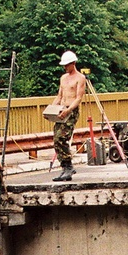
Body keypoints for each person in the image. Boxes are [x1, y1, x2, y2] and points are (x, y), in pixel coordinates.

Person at [50, 50, 88, 183]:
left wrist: (69, 110)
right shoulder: (63, 78)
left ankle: (69, 166)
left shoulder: (80, 78)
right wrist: (51, 109)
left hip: (71, 110)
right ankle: (65, 167)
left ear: (73, 63)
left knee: (62, 137)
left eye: (67, 65)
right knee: (56, 139)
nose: (65, 67)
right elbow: (60, 96)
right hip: (62, 109)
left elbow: (78, 98)